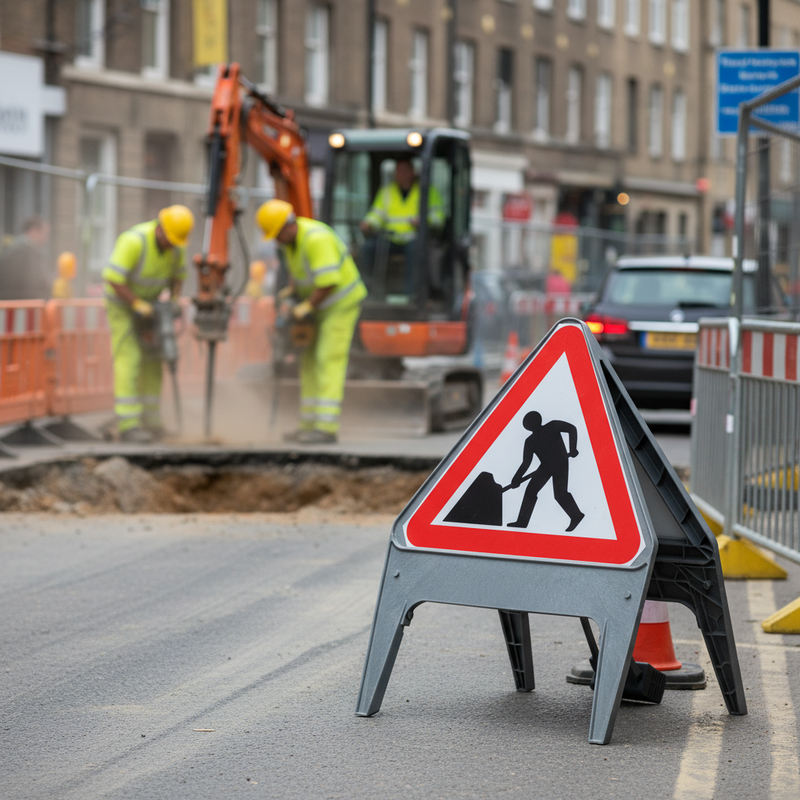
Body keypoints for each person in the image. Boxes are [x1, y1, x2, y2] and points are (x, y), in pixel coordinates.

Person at [256, 198, 367, 444]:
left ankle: (325, 427)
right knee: (307, 360)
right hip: (319, 307)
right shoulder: (291, 244)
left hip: (339, 305)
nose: (276, 240)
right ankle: (308, 424)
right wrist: (291, 293)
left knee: (328, 359)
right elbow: (301, 272)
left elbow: (328, 282)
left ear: (288, 227)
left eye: (277, 234)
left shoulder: (316, 239)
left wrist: (306, 306)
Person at [102, 205, 194, 443]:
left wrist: (173, 300)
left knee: (154, 359)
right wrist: (136, 304)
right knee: (129, 358)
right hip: (123, 306)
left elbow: (178, 277)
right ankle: (129, 424)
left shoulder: (176, 247)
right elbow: (114, 279)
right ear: (160, 229)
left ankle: (152, 421)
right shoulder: (133, 241)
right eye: (170, 240)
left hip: (152, 306)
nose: (172, 245)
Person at [358, 157, 444, 294]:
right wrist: (368, 223)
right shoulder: (387, 191)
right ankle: (368, 288)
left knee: (415, 252)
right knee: (368, 248)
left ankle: (410, 293)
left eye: (405, 170)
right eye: (399, 171)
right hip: (391, 239)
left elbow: (439, 217)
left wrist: (424, 221)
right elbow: (377, 214)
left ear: (412, 172)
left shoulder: (427, 191)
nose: (401, 174)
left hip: (414, 238)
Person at [507, 410, 585, 531]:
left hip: (560, 463)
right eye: (528, 423)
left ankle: (576, 516)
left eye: (531, 421)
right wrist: (516, 478)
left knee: (560, 494)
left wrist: (573, 447)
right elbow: (526, 462)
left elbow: (571, 428)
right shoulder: (530, 441)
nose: (530, 424)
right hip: (545, 467)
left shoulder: (552, 426)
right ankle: (522, 522)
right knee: (530, 491)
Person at [0, 216, 51, 300]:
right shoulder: (27, 251)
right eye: (44, 233)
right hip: (22, 304)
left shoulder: (14, 248)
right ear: (34, 230)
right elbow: (33, 282)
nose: (45, 238)